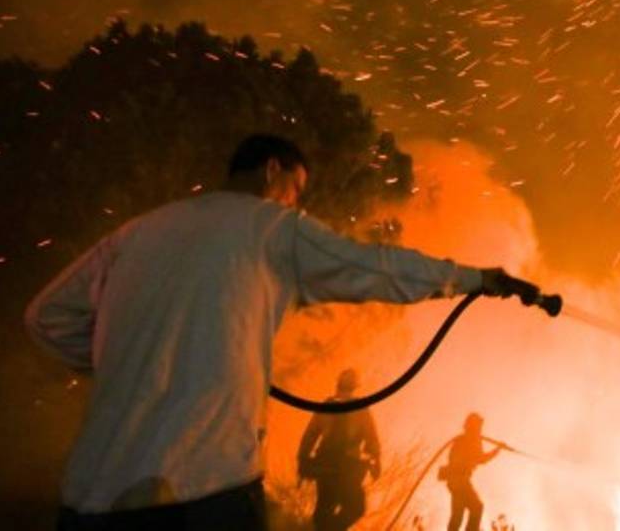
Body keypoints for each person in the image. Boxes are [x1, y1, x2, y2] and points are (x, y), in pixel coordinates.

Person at [26, 133, 524, 530]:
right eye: (296, 189)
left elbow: (45, 318)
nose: (295, 202)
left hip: (93, 497)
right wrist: (477, 279)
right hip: (207, 491)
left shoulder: (137, 232)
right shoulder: (272, 226)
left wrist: (125, 366)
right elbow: (377, 268)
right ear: (272, 171)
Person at [297, 369, 380, 530]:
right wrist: (375, 460)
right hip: (345, 467)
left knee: (326, 509)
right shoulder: (360, 408)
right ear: (355, 386)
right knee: (352, 507)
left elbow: (310, 436)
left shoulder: (329, 407)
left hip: (328, 466)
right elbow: (372, 438)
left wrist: (303, 461)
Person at [441, 413, 504, 531]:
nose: (480, 429)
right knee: (477, 507)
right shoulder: (471, 440)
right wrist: (497, 450)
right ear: (473, 426)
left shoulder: (463, 439)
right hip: (460, 481)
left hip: (454, 481)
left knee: (457, 516)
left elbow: (459, 458)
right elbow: (481, 459)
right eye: (479, 426)